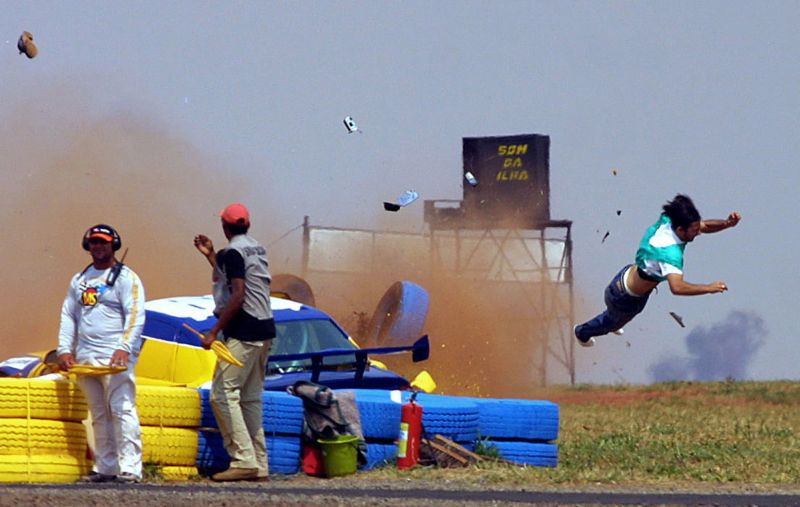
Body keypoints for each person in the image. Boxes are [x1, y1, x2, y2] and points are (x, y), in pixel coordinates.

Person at [575, 194, 741, 347]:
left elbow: (704, 225)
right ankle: (582, 332)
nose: (698, 232)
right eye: (694, 230)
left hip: (624, 276)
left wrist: (727, 223)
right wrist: (709, 288)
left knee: (617, 317)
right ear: (681, 230)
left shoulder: (668, 220)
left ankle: (613, 319)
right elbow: (677, 288)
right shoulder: (670, 255)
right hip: (626, 299)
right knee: (611, 323)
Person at [56, 224, 146, 483]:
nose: (98, 246)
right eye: (94, 242)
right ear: (88, 245)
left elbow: (135, 315)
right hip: (85, 358)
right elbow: (68, 316)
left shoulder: (127, 278)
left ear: (114, 245)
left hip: (115, 358)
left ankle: (130, 468)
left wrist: (124, 347)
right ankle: (106, 467)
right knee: (98, 413)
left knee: (121, 408)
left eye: (104, 242)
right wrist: (64, 350)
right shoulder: (79, 280)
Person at [193, 203, 274, 482]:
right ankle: (259, 464)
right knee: (250, 397)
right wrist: (211, 256)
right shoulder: (256, 248)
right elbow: (238, 276)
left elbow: (237, 293)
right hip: (265, 329)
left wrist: (214, 331)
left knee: (222, 394)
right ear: (247, 224)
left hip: (245, 330)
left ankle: (243, 460)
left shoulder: (233, 252)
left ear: (225, 227)